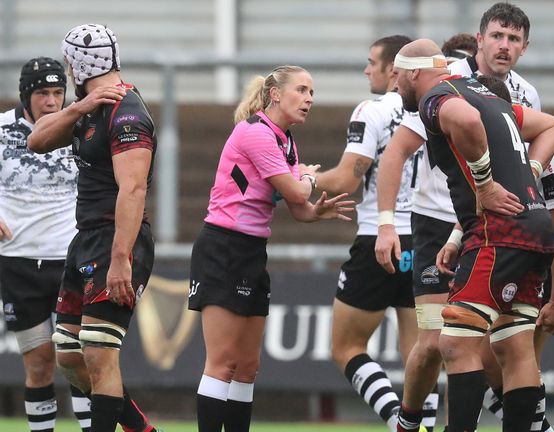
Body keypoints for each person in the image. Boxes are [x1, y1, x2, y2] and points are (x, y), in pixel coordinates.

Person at [375, 5, 554, 431]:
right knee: (515, 348)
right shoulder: (491, 95)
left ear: (416, 74)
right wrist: (528, 177)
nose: (396, 87)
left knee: (455, 344)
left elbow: (465, 120)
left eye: (398, 78)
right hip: (533, 230)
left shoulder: (439, 97)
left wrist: (485, 182)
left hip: (497, 233)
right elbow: (551, 125)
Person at [186, 65, 355, 432]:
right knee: (222, 362)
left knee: (248, 366)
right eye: (302, 89)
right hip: (223, 248)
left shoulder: (286, 141)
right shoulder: (256, 133)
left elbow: (300, 209)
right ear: (275, 94)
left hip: (251, 251)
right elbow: (297, 191)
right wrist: (308, 176)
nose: (309, 98)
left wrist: (318, 213)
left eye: (312, 92)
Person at [27, 24, 161, 432]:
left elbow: (133, 189)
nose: (67, 69)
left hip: (117, 242)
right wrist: (77, 109)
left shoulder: (128, 113)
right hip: (85, 239)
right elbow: (37, 141)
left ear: (78, 62)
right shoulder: (89, 106)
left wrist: (121, 258)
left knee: (100, 354)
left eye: (69, 61)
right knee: (69, 352)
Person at [311, 35, 425, 432]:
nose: (366, 70)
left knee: (345, 347)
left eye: (371, 62)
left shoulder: (373, 110)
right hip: (426, 241)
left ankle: (401, 422)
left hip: (381, 235)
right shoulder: (438, 109)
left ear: (394, 69)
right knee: (419, 352)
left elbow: (348, 178)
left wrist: (303, 178)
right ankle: (420, 423)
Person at [0, 57, 91, 432]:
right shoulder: (3, 129)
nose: (51, 101)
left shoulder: (80, 125)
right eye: (42, 93)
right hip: (17, 262)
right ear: (26, 95)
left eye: (57, 92)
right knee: (38, 361)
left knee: (79, 358)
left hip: (70, 259)